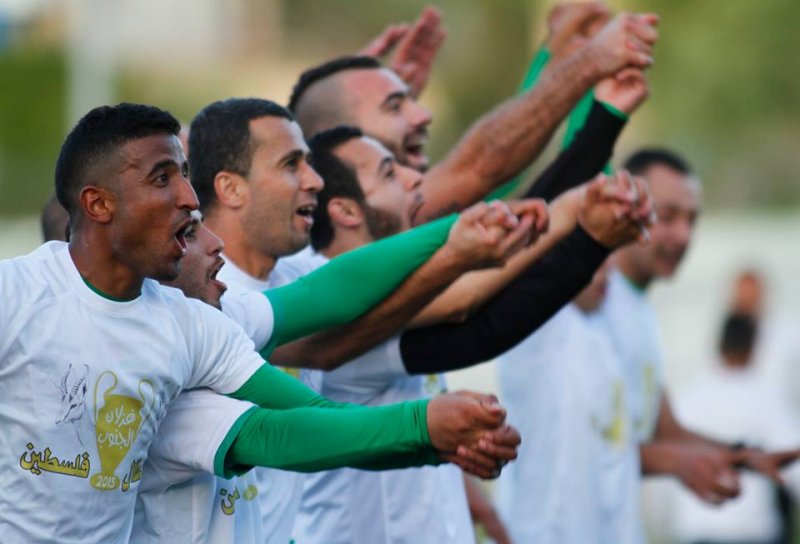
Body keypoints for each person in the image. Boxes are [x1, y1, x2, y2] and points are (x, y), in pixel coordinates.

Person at [0, 103, 510, 543]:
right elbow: (279, 433)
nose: (189, 197)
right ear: (98, 203)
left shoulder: (191, 324)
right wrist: (424, 430)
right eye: (162, 178)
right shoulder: (17, 295)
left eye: (184, 174)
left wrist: (427, 433)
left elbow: (309, 385)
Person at [182, 97, 531, 542]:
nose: (314, 180)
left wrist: (453, 231)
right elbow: (290, 433)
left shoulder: (252, 296)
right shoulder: (181, 318)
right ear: (230, 188)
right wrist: (425, 430)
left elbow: (334, 290)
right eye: (291, 164)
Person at [285, 126, 651, 543]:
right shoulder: (335, 307)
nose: (415, 179)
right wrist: (574, 219)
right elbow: (475, 314)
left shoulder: (387, 288)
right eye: (389, 172)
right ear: (346, 211)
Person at [133, 209, 522, 544]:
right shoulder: (150, 372)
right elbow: (282, 436)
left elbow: (324, 294)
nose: (215, 242)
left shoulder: (204, 320)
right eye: (189, 232)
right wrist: (424, 428)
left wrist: (451, 229)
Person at [288, 10, 659, 224]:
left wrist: (555, 56)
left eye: (411, 100)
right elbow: (482, 168)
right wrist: (587, 63)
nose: (424, 114)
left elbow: (491, 175)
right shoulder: (367, 227)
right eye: (394, 106)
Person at [601, 148, 800, 541]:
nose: (684, 236)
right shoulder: (588, 302)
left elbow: (664, 430)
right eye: (668, 216)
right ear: (625, 206)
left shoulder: (641, 313)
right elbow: (586, 442)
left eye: (692, 220)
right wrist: (678, 464)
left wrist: (744, 457)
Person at [668, 313, 800, 544]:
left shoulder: (690, 395)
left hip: (699, 528)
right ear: (754, 348)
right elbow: (791, 460)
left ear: (718, 344)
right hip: (750, 529)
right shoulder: (764, 396)